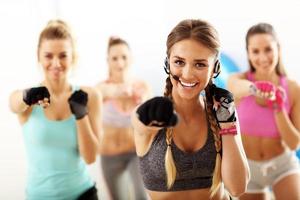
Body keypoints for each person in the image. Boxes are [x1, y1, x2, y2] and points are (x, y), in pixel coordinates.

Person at [131, 19, 250, 200]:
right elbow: (139, 120)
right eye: (179, 62)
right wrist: (144, 114)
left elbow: (237, 188)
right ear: (167, 63)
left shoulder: (222, 112)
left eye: (200, 64)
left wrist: (227, 123)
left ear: (215, 68)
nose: (187, 74)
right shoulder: (153, 115)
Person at [9, 20, 101, 200]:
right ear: (39, 57)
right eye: (49, 56)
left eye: (63, 55)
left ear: (73, 57)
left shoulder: (89, 96)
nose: (56, 63)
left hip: (83, 194)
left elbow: (90, 158)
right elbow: (12, 103)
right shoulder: (28, 100)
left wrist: (81, 115)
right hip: (39, 196)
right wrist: (26, 96)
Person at [228, 23, 300, 200]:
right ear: (248, 53)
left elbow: (294, 144)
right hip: (247, 168)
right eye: (255, 51)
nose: (263, 57)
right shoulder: (239, 80)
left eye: (268, 49)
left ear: (278, 49)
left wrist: (278, 108)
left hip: (282, 166)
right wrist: (255, 88)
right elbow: (236, 88)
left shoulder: (292, 89)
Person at [95, 36, 150, 200]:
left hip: (136, 154)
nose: (120, 63)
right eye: (115, 58)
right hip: (109, 156)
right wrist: (118, 91)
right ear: (108, 61)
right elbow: (100, 93)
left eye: (124, 57)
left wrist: (143, 102)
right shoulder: (101, 88)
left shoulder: (142, 87)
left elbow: (151, 125)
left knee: (141, 196)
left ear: (131, 59)